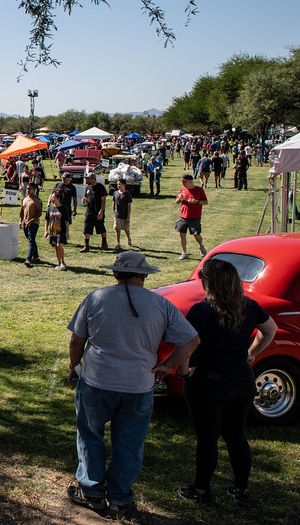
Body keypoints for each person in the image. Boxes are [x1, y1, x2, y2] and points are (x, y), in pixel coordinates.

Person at [66, 252, 200, 519]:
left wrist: (73, 366)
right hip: (138, 385)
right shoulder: (160, 304)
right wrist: (168, 366)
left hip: (96, 380)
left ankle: (92, 491)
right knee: (129, 442)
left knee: (90, 434)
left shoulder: (96, 298)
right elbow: (191, 341)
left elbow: (76, 341)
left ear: (115, 273)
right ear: (144, 275)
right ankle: (119, 497)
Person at [177, 259, 278, 508]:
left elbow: (187, 344)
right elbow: (270, 329)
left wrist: (183, 371)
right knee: (236, 436)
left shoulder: (201, 311)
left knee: (208, 438)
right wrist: (252, 353)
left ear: (209, 282)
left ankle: (201, 490)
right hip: (241, 381)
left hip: (208, 382)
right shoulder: (248, 306)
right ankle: (241, 489)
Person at [176, 174, 208, 260]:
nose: (183, 183)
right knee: (182, 235)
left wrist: (196, 201)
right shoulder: (183, 190)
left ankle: (201, 246)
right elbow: (177, 202)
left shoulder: (199, 190)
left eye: (185, 182)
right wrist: (180, 199)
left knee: (196, 235)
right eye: (182, 182)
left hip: (194, 216)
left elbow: (205, 202)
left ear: (190, 181)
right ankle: (184, 253)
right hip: (183, 216)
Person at [50, 172, 77, 271]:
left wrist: (75, 209)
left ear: (69, 179)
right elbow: (51, 194)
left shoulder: (72, 187)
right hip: (55, 216)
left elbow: (74, 199)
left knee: (59, 243)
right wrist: (49, 203)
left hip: (65, 211)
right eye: (63, 178)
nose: (64, 180)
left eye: (66, 178)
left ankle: (62, 262)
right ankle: (59, 262)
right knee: (55, 245)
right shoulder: (57, 185)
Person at [80, 172, 108, 253]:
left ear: (93, 178)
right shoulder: (88, 187)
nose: (86, 180)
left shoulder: (100, 187)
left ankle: (104, 242)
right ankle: (86, 245)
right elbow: (86, 197)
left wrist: (101, 211)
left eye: (88, 178)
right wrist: (84, 200)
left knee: (100, 227)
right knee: (86, 228)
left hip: (98, 211)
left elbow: (103, 199)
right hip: (89, 211)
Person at [20, 181, 42, 267]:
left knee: (31, 241)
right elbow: (22, 211)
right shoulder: (25, 199)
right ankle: (36, 256)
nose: (28, 190)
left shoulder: (37, 200)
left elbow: (39, 213)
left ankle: (28, 259)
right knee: (31, 240)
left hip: (34, 223)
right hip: (25, 223)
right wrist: (20, 221)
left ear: (34, 189)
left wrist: (31, 221)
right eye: (27, 188)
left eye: (30, 189)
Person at [112, 178, 132, 251]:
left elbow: (129, 206)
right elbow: (114, 203)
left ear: (124, 185)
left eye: (120, 184)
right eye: (118, 184)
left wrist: (128, 217)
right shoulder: (115, 193)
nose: (118, 186)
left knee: (126, 229)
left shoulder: (127, 195)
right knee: (117, 229)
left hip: (125, 215)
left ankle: (128, 238)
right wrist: (114, 213)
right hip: (117, 215)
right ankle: (118, 243)